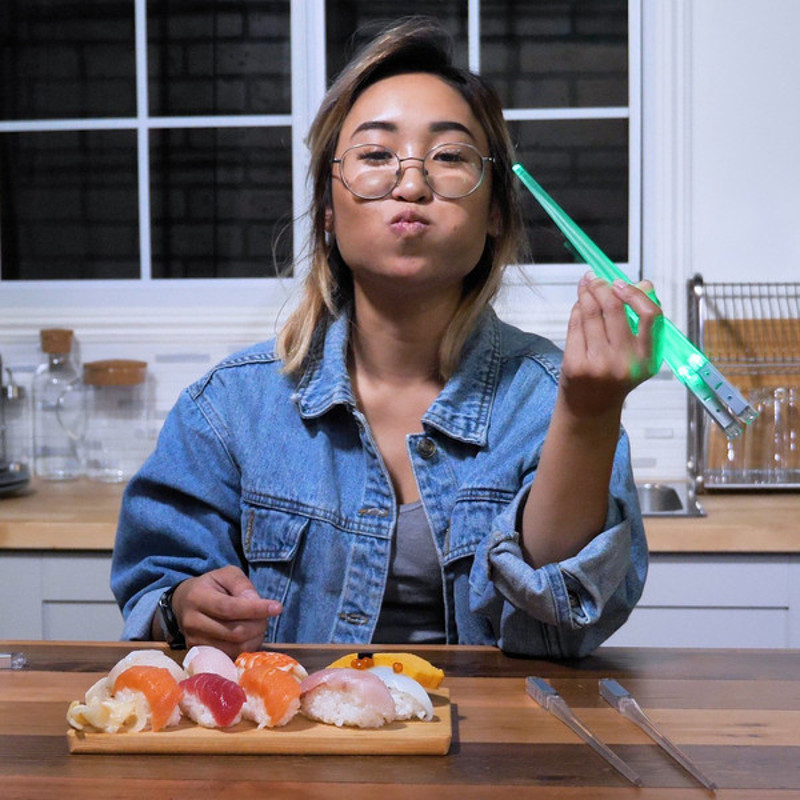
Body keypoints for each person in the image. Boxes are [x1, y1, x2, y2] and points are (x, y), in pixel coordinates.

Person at [111, 18, 662, 659]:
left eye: (449, 157)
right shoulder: (229, 409)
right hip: (295, 751)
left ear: (494, 216)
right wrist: (183, 609)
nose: (411, 183)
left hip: (493, 752)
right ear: (326, 213)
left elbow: (557, 633)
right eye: (375, 156)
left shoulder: (549, 400)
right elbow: (155, 586)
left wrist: (588, 414)